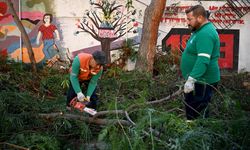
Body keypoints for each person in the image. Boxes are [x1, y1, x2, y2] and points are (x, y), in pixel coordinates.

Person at [180, 5, 220, 120]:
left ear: (200, 18)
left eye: (190, 19)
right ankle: (192, 131)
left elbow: (203, 60)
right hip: (198, 80)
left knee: (197, 114)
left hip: (202, 81)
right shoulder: (199, 30)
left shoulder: (205, 34)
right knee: (192, 109)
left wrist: (191, 79)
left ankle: (196, 134)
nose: (187, 22)